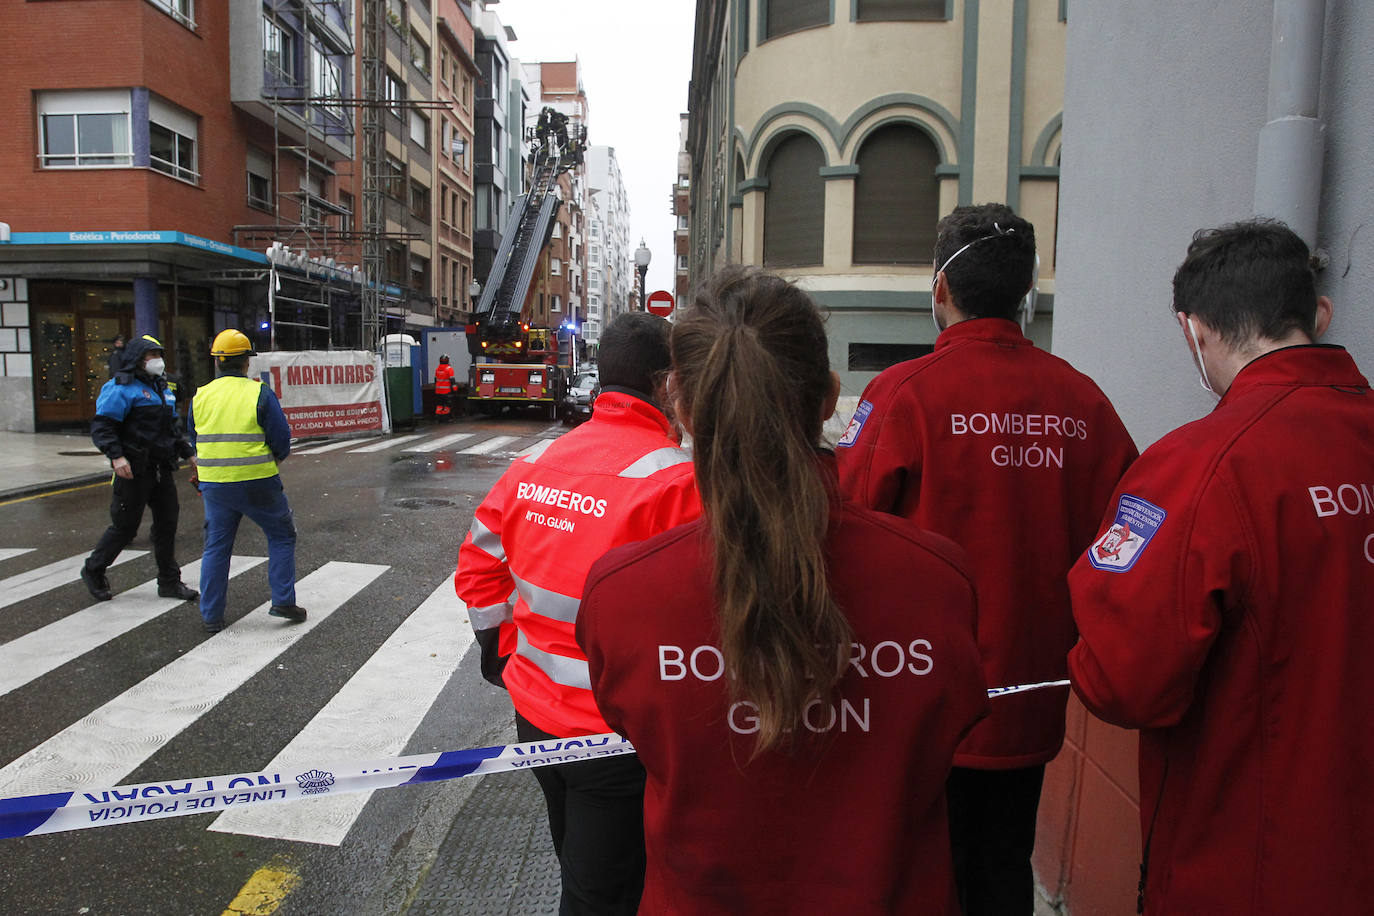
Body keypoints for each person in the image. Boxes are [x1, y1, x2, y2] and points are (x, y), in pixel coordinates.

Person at [576, 266, 989, 914]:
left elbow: (634, 731)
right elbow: (951, 727)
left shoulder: (621, 595)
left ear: (681, 409)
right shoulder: (939, 582)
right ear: (828, 396)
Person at [835, 203, 1138, 916]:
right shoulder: (1083, 401)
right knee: (1004, 863)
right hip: (1034, 699)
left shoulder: (901, 394)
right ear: (1024, 293)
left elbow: (845, 531)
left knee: (923, 871)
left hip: (920, 698)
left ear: (940, 291)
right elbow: (1123, 540)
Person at [1067, 219, 1374, 914]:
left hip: (1252, 861)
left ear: (1193, 331)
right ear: (1318, 317)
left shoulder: (1196, 467)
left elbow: (1123, 679)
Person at [455, 312, 701, 915]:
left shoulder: (535, 463)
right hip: (618, 734)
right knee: (605, 892)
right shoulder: (676, 481)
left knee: (577, 860)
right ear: (666, 383)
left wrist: (501, 654)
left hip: (534, 717)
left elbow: (478, 568)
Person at [187, 329, 304, 634]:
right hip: (258, 482)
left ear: (216, 362)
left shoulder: (200, 396)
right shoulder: (259, 393)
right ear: (246, 363)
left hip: (214, 485)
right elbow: (281, 440)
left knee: (216, 547)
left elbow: (194, 439)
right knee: (281, 536)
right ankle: (282, 600)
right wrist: (272, 461)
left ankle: (211, 616)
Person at [81, 334, 199, 603]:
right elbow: (103, 427)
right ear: (137, 359)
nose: (157, 360)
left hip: (161, 467)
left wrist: (188, 453)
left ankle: (169, 582)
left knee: (167, 524)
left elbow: (172, 427)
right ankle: (94, 569)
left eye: (159, 354)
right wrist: (116, 457)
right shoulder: (120, 387)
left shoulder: (161, 387)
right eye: (151, 356)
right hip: (133, 469)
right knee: (125, 527)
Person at [433, 353, 455, 419]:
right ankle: (446, 418)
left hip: (438, 391)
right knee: (447, 406)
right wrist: (454, 389)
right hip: (446, 391)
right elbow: (452, 380)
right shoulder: (449, 369)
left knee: (439, 406)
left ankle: (439, 418)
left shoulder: (437, 369)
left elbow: (435, 379)